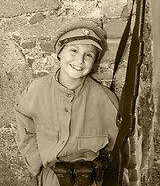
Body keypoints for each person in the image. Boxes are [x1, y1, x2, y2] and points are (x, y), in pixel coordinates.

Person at [15, 19, 130, 186]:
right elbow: (23, 120)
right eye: (73, 51)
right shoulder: (36, 91)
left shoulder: (104, 97)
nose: (80, 60)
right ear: (60, 52)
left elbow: (120, 144)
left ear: (94, 61)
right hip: (53, 178)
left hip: (92, 180)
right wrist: (37, 163)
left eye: (89, 55)